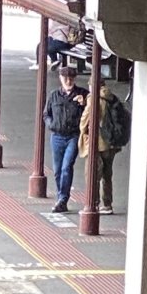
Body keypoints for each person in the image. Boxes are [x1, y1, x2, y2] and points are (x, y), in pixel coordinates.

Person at [79, 82, 131, 214]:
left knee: (92, 174)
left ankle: (93, 203)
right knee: (107, 174)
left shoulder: (93, 99)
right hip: (111, 143)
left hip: (97, 143)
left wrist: (83, 129)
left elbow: (85, 121)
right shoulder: (111, 97)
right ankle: (107, 204)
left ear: (92, 85)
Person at [43, 65, 88, 213]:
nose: (68, 81)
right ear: (60, 79)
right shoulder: (54, 95)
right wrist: (52, 125)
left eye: (71, 78)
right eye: (65, 78)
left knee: (66, 167)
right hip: (56, 136)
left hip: (73, 136)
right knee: (57, 170)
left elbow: (92, 112)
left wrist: (84, 104)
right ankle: (61, 197)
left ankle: (63, 198)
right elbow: (46, 114)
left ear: (74, 79)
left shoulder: (83, 94)